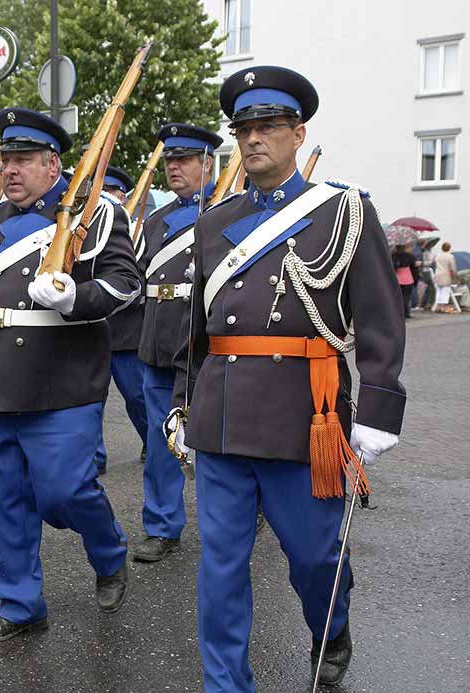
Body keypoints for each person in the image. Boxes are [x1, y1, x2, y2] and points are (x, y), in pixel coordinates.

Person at [167, 66, 406, 690]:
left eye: (268, 126)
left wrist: (379, 407)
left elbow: (381, 316)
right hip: (220, 415)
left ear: (298, 133)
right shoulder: (214, 222)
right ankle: (226, 684)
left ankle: (332, 626)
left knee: (314, 558)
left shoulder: (342, 212)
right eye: (243, 129)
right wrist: (182, 404)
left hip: (307, 417)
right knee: (219, 568)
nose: (252, 140)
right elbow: (198, 327)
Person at [0, 108, 141, 642]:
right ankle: (20, 605)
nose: (12, 170)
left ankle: (108, 551)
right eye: (7, 159)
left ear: (52, 164)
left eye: (23, 160)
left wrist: (74, 298)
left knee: (65, 492)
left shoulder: (95, 212)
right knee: (3, 502)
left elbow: (125, 282)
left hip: (62, 383)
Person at [130, 124, 224, 562]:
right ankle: (163, 524)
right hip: (157, 339)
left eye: (183, 160)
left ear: (207, 164)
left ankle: (232, 518)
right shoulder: (155, 221)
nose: (174, 168)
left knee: (217, 438)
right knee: (160, 438)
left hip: (204, 341)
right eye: (169, 161)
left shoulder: (227, 214)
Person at [92, 165, 149, 475]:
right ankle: (93, 457)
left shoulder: (136, 229)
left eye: (110, 191)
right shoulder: (86, 229)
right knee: (91, 402)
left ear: (123, 197)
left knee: (137, 396)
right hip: (94, 328)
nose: (104, 196)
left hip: (127, 331)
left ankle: (152, 441)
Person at [392, 243, 418, 319]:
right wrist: (416, 280)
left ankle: (397, 313)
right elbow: (414, 269)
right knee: (406, 297)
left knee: (397, 297)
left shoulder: (393, 256)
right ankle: (406, 313)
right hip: (408, 279)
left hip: (396, 279)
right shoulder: (410, 256)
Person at [433, 241, 458, 312]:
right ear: (449, 248)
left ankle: (438, 306)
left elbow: (434, 263)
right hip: (445, 275)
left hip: (437, 275)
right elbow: (453, 268)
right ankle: (443, 307)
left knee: (439, 291)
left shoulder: (437, 255)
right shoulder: (450, 256)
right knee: (445, 291)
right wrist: (455, 276)